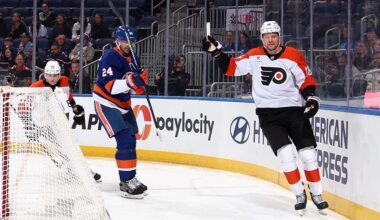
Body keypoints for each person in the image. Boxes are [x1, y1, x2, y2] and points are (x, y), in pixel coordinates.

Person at [202, 21, 329, 215]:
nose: (271, 39)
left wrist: (311, 98)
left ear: (279, 37)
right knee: (286, 155)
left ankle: (318, 194)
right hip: (269, 115)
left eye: (274, 36)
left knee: (308, 155)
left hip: (295, 112)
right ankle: (299, 194)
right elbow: (232, 68)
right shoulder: (254, 55)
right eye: (267, 36)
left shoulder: (293, 55)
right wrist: (216, 52)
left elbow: (305, 80)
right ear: (262, 38)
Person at [93, 26, 148, 199]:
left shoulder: (134, 58)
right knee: (124, 138)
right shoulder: (110, 56)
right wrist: (133, 82)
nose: (128, 45)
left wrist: (140, 84)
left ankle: (131, 178)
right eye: (125, 41)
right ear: (117, 41)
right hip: (106, 102)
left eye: (131, 42)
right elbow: (110, 87)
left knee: (131, 139)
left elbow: (135, 88)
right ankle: (126, 182)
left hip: (124, 104)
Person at [31, 60, 101, 182]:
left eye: (55, 75)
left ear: (59, 75)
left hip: (58, 122)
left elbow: (68, 97)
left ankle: (76, 170)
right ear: (45, 74)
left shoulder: (64, 80)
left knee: (69, 147)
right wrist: (30, 125)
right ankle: (78, 171)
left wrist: (76, 110)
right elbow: (27, 105)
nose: (52, 78)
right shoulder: (36, 87)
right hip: (43, 124)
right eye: (49, 75)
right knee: (66, 147)